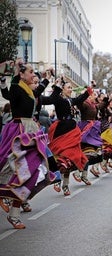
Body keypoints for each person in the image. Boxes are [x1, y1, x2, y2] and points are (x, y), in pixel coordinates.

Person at [0, 63, 57, 229]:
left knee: (33, 172)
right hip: (19, 132)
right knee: (14, 167)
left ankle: (14, 211)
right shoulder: (17, 87)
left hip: (31, 132)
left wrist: (46, 79)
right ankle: (10, 204)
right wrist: (6, 78)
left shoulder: (29, 90)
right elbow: (8, 94)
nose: (34, 75)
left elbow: (38, 92)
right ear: (22, 74)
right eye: (31, 72)